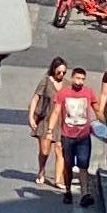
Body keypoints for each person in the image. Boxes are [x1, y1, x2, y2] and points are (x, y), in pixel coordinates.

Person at [54, 62, 101, 213]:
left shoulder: (88, 92)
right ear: (72, 78)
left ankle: (85, 193)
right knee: (67, 164)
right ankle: (67, 190)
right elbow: (56, 112)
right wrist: (50, 130)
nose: (80, 81)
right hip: (67, 135)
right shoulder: (63, 93)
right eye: (77, 78)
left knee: (83, 165)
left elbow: (97, 108)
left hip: (83, 136)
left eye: (82, 79)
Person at [28, 57, 68, 196]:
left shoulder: (66, 84)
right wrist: (31, 116)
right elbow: (35, 98)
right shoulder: (45, 82)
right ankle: (41, 170)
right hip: (45, 120)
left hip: (61, 122)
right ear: (53, 70)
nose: (61, 75)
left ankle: (58, 180)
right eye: (59, 72)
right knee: (45, 151)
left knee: (60, 150)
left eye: (64, 72)